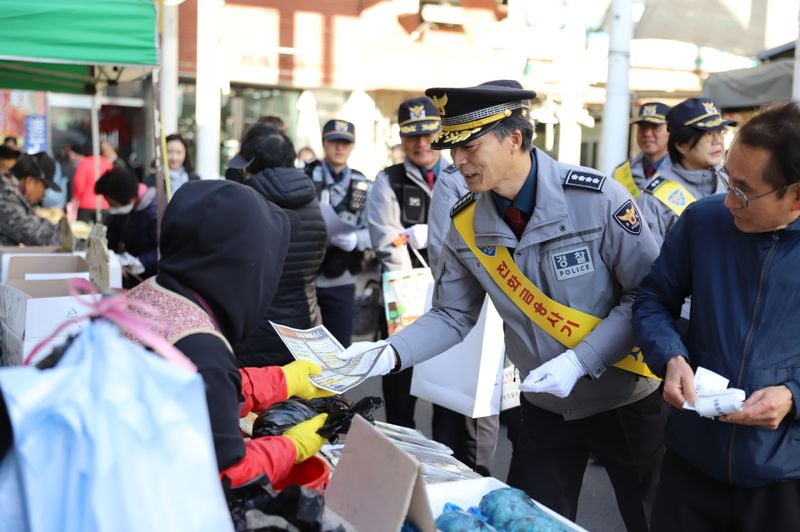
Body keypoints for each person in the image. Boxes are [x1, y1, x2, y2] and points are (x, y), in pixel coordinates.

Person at [341, 81, 666, 531]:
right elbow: (453, 314)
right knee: (531, 523)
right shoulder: (466, 222)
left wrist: (580, 359)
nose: (457, 161)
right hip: (545, 406)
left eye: (470, 146)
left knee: (650, 517)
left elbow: (647, 295)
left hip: (626, 396)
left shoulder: (597, 199)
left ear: (514, 138)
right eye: (452, 148)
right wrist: (388, 353)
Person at [632, 102, 800, 531]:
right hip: (691, 463)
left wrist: (793, 395)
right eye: (727, 178)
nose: (727, 200)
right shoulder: (704, 221)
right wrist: (670, 356)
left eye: (743, 190)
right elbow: (653, 299)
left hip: (784, 480)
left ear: (796, 195)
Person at [125, 180, 332, 488]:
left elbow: (201, 394)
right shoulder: (202, 348)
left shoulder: (147, 294)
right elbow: (225, 475)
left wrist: (283, 381)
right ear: (244, 261)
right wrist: (290, 447)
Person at [367, 95, 500, 475]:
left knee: (449, 383)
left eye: (428, 134)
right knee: (400, 381)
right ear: (402, 137)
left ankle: (444, 463)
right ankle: (399, 461)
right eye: (412, 136)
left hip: (457, 297)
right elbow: (385, 241)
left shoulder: (462, 172)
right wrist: (417, 282)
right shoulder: (388, 180)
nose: (421, 143)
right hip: (404, 294)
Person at [226, 124, 327, 367]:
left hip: (252, 329)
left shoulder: (245, 201)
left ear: (251, 164)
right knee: (291, 399)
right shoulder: (311, 200)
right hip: (301, 325)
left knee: (256, 399)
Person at [306, 119, 371, 346]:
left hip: (341, 277)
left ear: (352, 146)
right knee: (301, 349)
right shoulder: (304, 176)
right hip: (304, 277)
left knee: (338, 347)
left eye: (346, 143)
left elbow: (376, 229)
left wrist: (357, 239)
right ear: (324, 143)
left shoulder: (362, 183)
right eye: (334, 142)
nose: (340, 148)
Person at [636, 98, 732, 246]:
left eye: (720, 132)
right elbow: (649, 263)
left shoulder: (731, 180)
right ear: (681, 145)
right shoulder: (653, 200)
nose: (717, 141)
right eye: (707, 134)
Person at [94, 167, 158, 288]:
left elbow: (163, 250)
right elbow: (111, 236)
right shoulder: (123, 211)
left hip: (148, 280)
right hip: (129, 276)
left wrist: (140, 262)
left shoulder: (155, 212)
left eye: (113, 204)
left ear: (129, 199)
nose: (111, 207)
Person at [0, 154, 61, 246]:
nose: (43, 195)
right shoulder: (4, 197)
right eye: (44, 188)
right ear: (30, 182)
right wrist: (71, 239)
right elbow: (37, 234)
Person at [614, 102, 672, 194]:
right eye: (642, 128)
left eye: (655, 127)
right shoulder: (622, 172)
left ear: (670, 130)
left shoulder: (683, 171)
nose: (647, 134)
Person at [71, 142, 112, 223]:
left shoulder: (84, 162)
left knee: (82, 233)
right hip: (104, 204)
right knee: (101, 233)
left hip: (86, 205)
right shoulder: (108, 163)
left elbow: (79, 185)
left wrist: (76, 198)